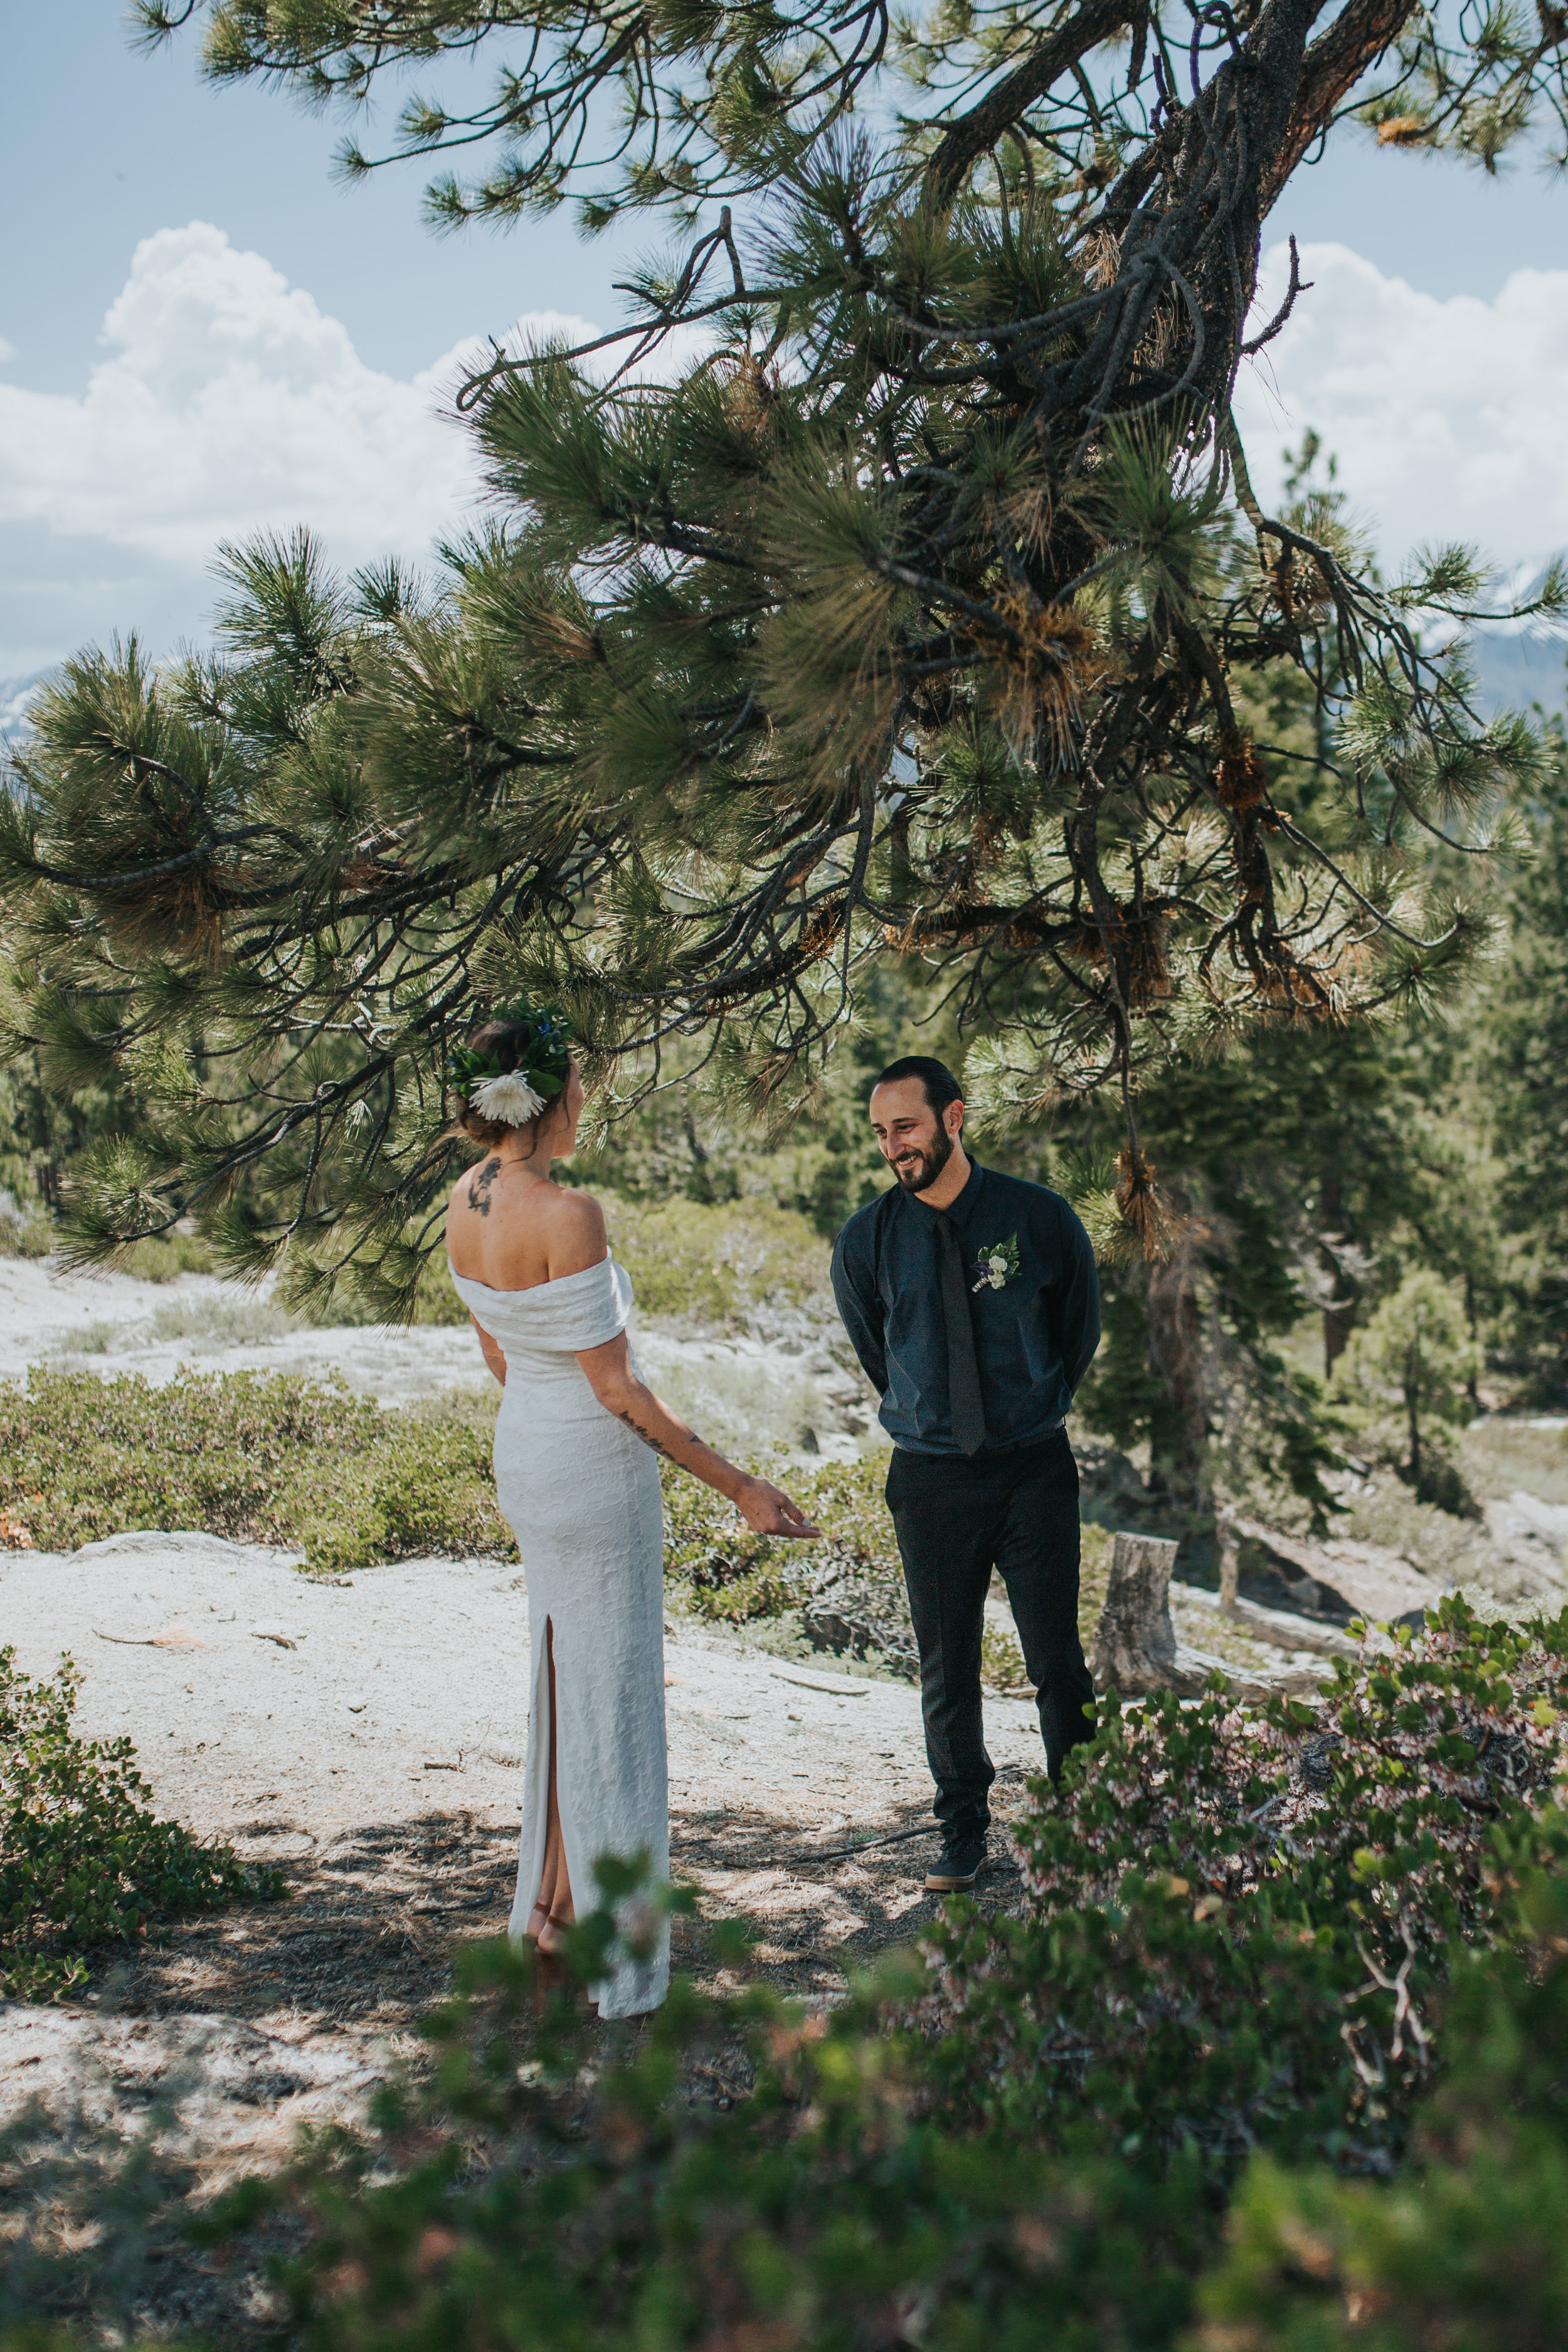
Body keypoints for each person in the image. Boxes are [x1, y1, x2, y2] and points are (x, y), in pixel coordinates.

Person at [445, 1002, 819, 2015]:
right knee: (613, 1699)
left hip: (525, 1450)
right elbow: (619, 1390)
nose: (584, 1106)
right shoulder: (570, 1214)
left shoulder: (463, 1199)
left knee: (561, 1682)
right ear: (552, 1094)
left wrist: (542, 1409)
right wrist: (741, 1484)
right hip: (593, 1468)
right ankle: (611, 1946)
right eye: (579, 1088)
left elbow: (496, 1346)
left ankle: (553, 1915)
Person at [830, 1056, 1101, 1895]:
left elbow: (1078, 1329)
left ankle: (1087, 1825)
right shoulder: (866, 1239)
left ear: (954, 1118)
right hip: (931, 1477)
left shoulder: (1039, 1217)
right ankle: (962, 1831)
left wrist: (1030, 1407)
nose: (892, 1147)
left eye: (904, 1127)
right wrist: (936, 1418)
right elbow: (880, 1352)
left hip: (1033, 1469)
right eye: (880, 1133)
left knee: (1057, 1655)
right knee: (947, 1666)